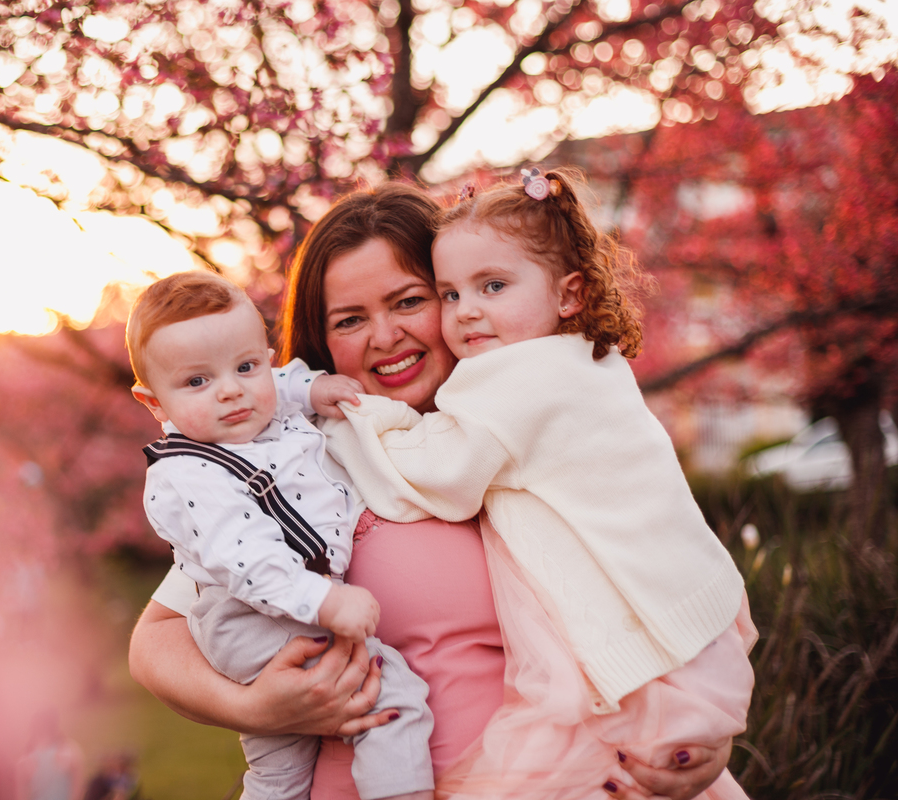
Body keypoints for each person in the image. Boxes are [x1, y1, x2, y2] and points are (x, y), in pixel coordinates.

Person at [128, 182, 738, 800]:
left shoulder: (547, 424)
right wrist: (257, 709)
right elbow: (156, 640)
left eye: (410, 300)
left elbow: (653, 578)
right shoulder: (300, 459)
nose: (385, 335)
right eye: (350, 319)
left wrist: (699, 733)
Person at [322, 169, 756, 799]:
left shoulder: (520, 377)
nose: (467, 311)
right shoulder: (582, 364)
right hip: (662, 646)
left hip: (600, 711)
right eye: (449, 294)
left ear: (568, 295)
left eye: (491, 286)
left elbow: (442, 474)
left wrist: (355, 420)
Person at [126, 270, 435, 800]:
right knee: (390, 697)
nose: (230, 391)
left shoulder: (260, 410)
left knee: (280, 769)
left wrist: (315, 386)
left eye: (246, 367)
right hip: (259, 614)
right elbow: (246, 558)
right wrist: (325, 602)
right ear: (154, 403)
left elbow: (279, 382)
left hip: (279, 610)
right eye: (197, 382)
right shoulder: (192, 472)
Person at [15, 708, 84, 800]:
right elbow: (78, 791)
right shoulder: (70, 751)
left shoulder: (25, 759)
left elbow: (21, 796)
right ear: (55, 725)